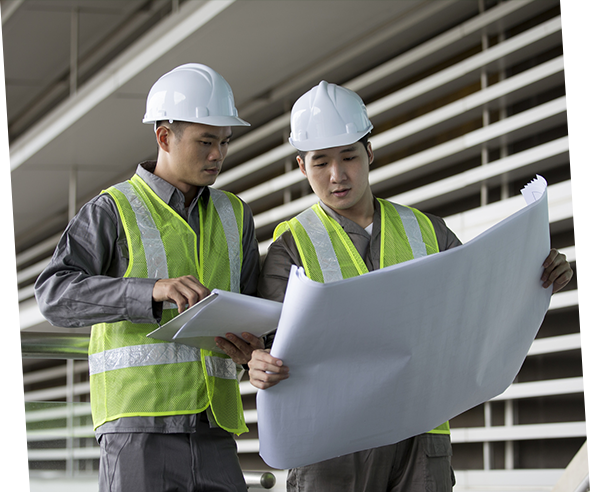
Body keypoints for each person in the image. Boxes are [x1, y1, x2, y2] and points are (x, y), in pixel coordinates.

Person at [248, 81, 574, 492]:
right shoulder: (290, 246)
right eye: (320, 162)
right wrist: (259, 362)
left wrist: (538, 275)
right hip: (332, 445)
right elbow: (274, 345)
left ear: (369, 152)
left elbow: (480, 298)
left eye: (349, 156)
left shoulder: (426, 230)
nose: (337, 175)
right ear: (301, 166)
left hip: (421, 435)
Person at [35, 63, 263, 492]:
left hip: (216, 427)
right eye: (205, 142)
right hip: (138, 427)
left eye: (224, 143)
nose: (217, 155)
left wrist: (251, 346)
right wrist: (151, 291)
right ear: (164, 137)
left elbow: (251, 307)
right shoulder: (112, 209)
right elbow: (54, 293)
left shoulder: (236, 214)